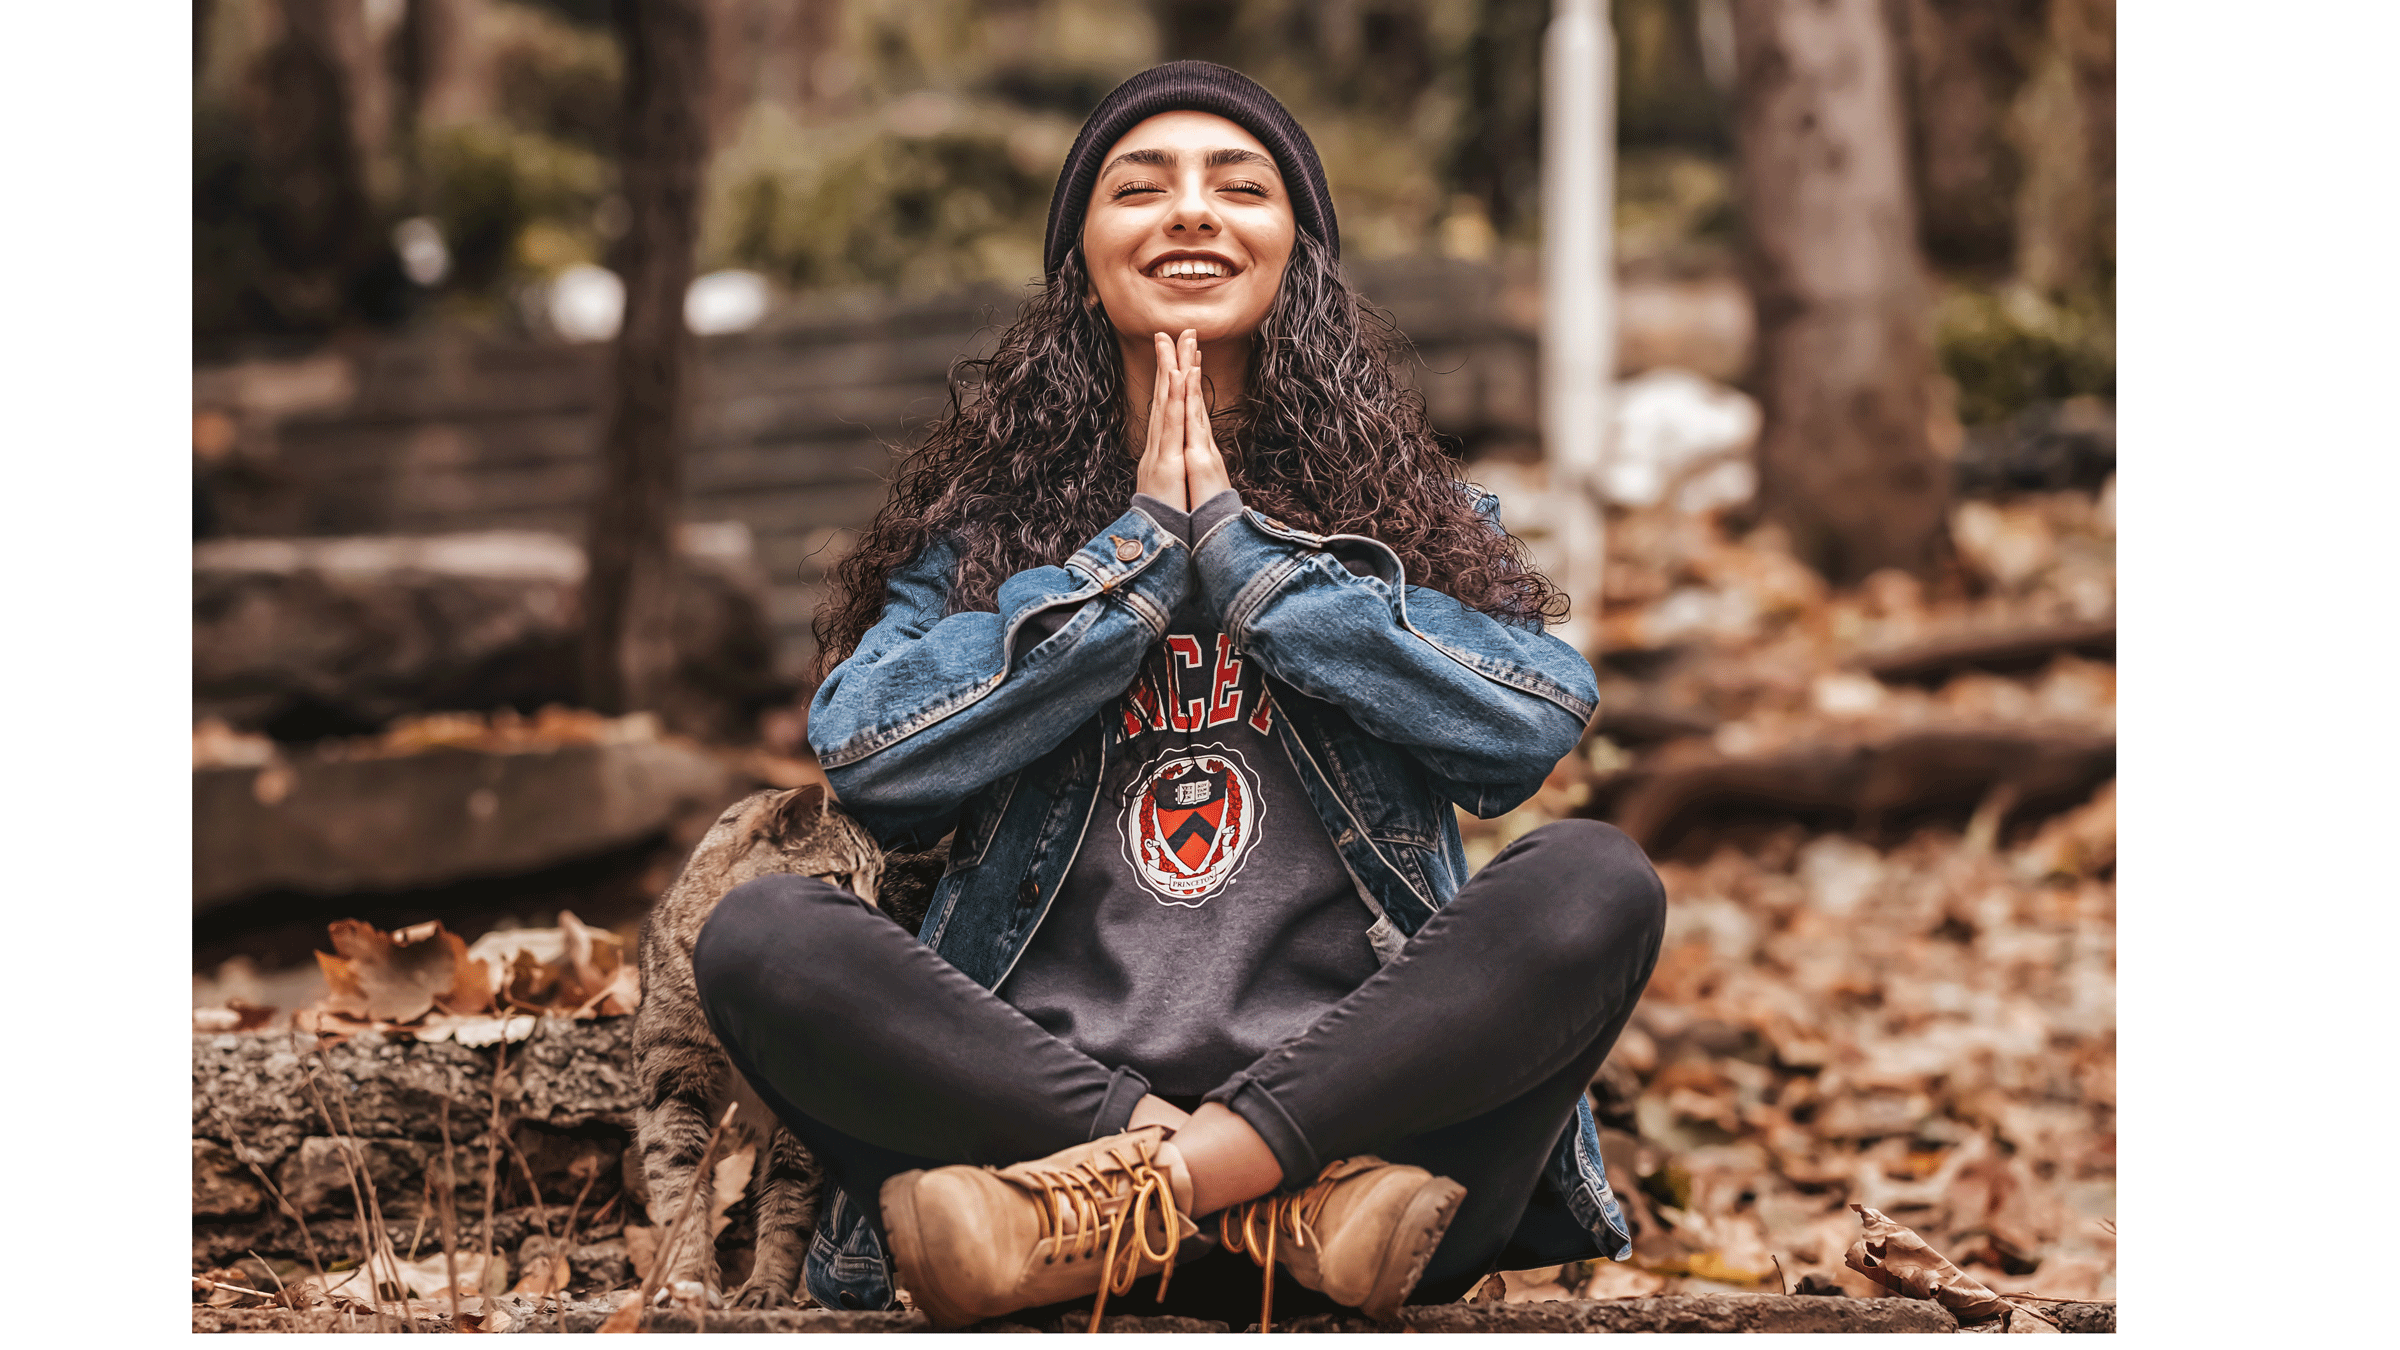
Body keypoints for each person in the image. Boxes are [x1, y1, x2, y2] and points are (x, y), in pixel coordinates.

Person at [692, 61, 1666, 1331]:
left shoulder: (1409, 522)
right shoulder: (984, 539)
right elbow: (870, 755)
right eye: (1140, 186)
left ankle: (1178, 1189)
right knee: (764, 937)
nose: (1193, 211)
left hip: (1375, 1167)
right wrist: (1137, 564)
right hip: (1024, 1142)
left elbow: (1530, 723)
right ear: (1084, 259)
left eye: (1240, 186)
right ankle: (1218, 1197)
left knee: (1598, 882)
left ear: (1296, 252)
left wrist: (1252, 567)